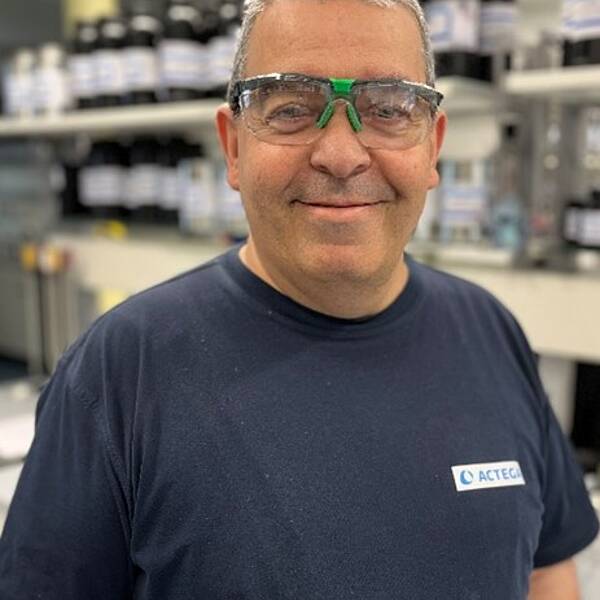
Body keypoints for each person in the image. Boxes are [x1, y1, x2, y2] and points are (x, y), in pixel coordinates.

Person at [1, 0, 598, 597]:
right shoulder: (118, 373)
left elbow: (547, 567)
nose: (341, 155)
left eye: (388, 109)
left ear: (432, 147)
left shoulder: (490, 332)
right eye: (290, 108)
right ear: (234, 147)